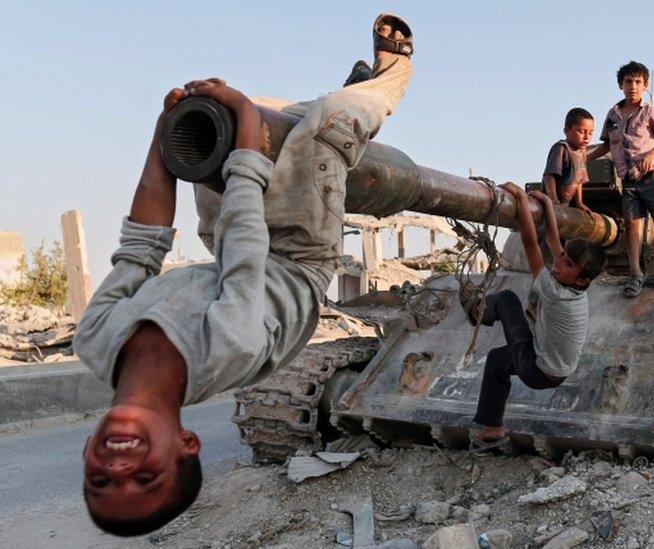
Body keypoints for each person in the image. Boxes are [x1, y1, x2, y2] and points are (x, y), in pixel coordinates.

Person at [73, 14, 414, 536]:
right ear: (188, 445)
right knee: (327, 124)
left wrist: (165, 135)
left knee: (223, 125)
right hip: (297, 254)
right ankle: (388, 79)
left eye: (101, 482)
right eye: (146, 479)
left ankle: (346, 90)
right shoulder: (222, 349)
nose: (120, 470)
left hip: (234, 239)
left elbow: (141, 245)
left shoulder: (96, 341)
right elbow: (246, 252)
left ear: (87, 458)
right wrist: (244, 120)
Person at [460, 184, 606, 447]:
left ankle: (477, 311)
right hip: (555, 370)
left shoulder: (554, 291)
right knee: (497, 361)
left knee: (507, 300)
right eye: (563, 257)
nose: (559, 262)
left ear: (582, 280)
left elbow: (531, 243)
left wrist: (520, 199)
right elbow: (554, 242)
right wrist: (548, 205)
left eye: (568, 264)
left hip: (536, 370)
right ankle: (493, 428)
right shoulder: (576, 289)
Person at [588, 60, 654, 297]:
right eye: (628, 81)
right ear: (620, 85)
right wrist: (583, 158)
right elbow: (607, 144)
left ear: (645, 86)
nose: (633, 86)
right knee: (632, 226)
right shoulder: (612, 115)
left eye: (638, 82)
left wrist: (651, 155)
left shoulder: (651, 113)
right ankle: (635, 273)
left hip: (650, 174)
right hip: (627, 177)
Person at [542, 107, 594, 214]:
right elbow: (549, 176)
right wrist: (553, 200)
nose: (586, 137)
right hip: (549, 203)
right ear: (567, 130)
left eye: (590, 133)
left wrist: (579, 203)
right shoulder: (561, 148)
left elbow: (579, 180)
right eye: (582, 131)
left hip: (565, 204)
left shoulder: (582, 152)